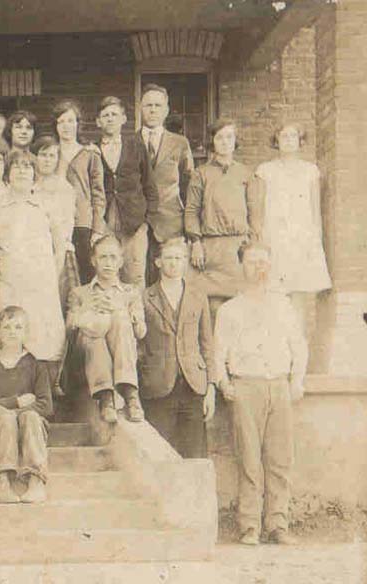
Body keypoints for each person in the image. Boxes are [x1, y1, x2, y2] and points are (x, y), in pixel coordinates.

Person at [213, 241, 307, 546]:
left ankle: (277, 524)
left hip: (279, 385)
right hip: (246, 386)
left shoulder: (283, 305)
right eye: (253, 262)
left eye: (264, 262)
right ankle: (250, 526)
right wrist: (224, 383)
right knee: (249, 459)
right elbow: (218, 352)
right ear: (242, 265)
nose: (259, 268)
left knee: (280, 459)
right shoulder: (230, 310)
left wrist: (296, 381)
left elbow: (298, 346)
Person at [0, 151, 67, 378]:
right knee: (10, 333)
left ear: (35, 175)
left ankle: (46, 388)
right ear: (7, 175)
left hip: (40, 283)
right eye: (16, 167)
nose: (22, 171)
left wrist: (51, 276)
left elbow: (60, 245)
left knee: (43, 335)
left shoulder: (46, 205)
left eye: (27, 167)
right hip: (7, 282)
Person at [140, 237, 216, 459]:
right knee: (160, 456)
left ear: (185, 262)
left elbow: (207, 344)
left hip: (193, 386)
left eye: (179, 258)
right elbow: (139, 345)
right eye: (169, 258)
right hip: (158, 387)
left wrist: (210, 387)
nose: (174, 263)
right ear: (158, 262)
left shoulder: (197, 295)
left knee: (195, 455)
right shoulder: (145, 297)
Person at [256, 122, 331, 335]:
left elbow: (315, 209)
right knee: (274, 294)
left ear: (300, 141)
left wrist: (315, 238)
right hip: (274, 237)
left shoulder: (310, 171)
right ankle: (277, 351)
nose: (288, 140)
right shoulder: (265, 170)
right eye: (283, 136)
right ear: (276, 140)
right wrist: (261, 238)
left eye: (292, 136)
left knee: (298, 295)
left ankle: (298, 353)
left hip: (301, 238)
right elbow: (259, 207)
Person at [185, 120, 264, 314]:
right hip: (211, 248)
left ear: (235, 141)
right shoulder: (200, 174)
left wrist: (253, 244)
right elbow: (191, 211)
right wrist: (195, 243)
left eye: (229, 137)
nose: (224, 142)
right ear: (212, 141)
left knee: (241, 304)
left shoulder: (246, 174)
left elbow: (254, 212)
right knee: (213, 307)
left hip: (239, 247)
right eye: (219, 137)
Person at [66, 236, 148, 423]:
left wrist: (121, 310)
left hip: (120, 349)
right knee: (95, 333)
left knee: (119, 318)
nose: (108, 263)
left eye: (113, 258)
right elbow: (69, 330)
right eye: (103, 257)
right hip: (85, 352)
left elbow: (141, 333)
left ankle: (121, 396)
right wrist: (87, 310)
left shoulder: (130, 292)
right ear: (94, 261)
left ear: (120, 261)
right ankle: (111, 396)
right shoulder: (80, 292)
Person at [0, 306, 54, 504]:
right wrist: (15, 402)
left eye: (18, 327)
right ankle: (2, 479)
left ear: (26, 332)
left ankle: (35, 479)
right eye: (6, 327)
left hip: (29, 424)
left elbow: (46, 405)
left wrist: (15, 413)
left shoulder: (36, 364)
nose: (12, 332)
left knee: (29, 416)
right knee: (4, 417)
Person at [92, 96, 157, 288]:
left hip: (134, 223)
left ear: (123, 119)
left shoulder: (136, 146)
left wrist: (147, 222)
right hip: (105, 221)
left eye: (114, 114)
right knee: (107, 274)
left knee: (135, 276)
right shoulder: (92, 150)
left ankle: (136, 318)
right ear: (98, 121)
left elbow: (150, 185)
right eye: (105, 115)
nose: (110, 119)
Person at [140, 85, 195, 284]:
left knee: (171, 279)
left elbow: (188, 187)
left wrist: (189, 227)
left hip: (171, 223)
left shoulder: (180, 143)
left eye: (157, 105)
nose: (153, 110)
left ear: (166, 110)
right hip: (139, 224)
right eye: (148, 105)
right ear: (141, 108)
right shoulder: (130, 141)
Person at [53, 99, 105, 283]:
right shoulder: (49, 154)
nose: (66, 126)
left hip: (82, 222)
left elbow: (98, 195)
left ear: (78, 124)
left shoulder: (90, 154)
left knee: (85, 274)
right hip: (55, 221)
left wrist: (97, 227)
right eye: (61, 122)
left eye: (70, 121)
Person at [31, 136, 80, 308]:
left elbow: (65, 229)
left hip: (59, 254)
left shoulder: (64, 189)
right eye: (43, 155)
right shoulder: (31, 187)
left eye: (52, 156)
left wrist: (56, 256)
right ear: (35, 157)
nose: (47, 160)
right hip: (35, 254)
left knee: (60, 305)